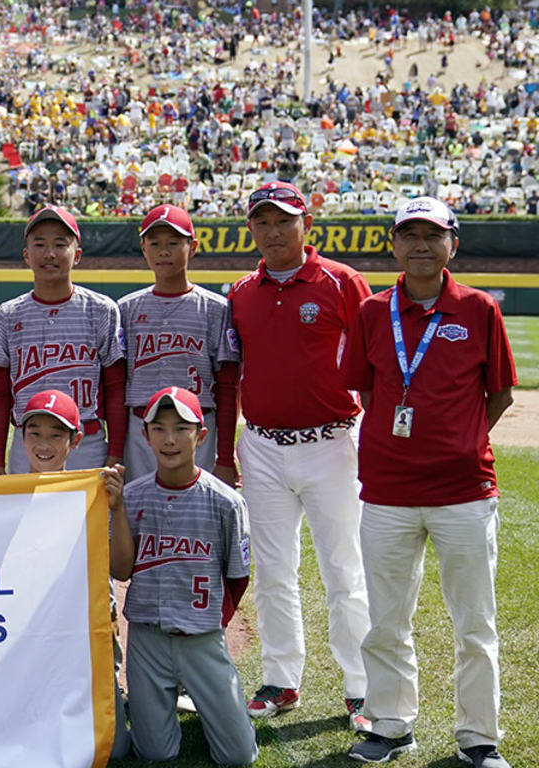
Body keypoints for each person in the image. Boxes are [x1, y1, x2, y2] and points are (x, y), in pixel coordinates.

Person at [343, 198, 515, 768]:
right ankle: (391, 726)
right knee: (386, 619)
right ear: (394, 245)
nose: (420, 244)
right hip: (388, 492)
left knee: (476, 624)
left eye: (432, 235)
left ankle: (478, 737)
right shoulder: (372, 312)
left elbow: (499, 395)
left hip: (464, 491)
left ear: (453, 245)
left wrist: (458, 442)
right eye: (409, 234)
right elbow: (367, 394)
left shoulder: (480, 310)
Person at [228, 181, 372, 729]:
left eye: (283, 221)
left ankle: (360, 687)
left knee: (344, 569)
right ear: (252, 230)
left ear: (305, 223)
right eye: (262, 222)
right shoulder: (242, 291)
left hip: (332, 441)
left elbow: (374, 362)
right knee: (273, 570)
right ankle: (281, 678)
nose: (273, 231)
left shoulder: (342, 281)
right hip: (263, 444)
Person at [120, 387, 258, 766]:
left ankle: (201, 692)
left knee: (238, 757)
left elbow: (237, 576)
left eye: (181, 428)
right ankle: (170, 697)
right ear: (145, 436)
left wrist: (210, 623)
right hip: (147, 639)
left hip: (201, 639)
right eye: (159, 428)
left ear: (201, 434)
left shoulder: (226, 501)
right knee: (155, 753)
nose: (169, 439)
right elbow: (121, 568)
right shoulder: (132, 498)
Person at [15, 387, 134, 760]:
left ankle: (115, 697)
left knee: (113, 751)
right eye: (35, 433)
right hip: (27, 636)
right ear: (22, 437)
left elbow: (122, 568)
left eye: (56, 435)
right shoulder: (4, 498)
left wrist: (116, 510)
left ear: (76, 440)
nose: (44, 444)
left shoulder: (95, 491)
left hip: (86, 634)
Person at [0, 205, 127, 474]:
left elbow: (116, 386)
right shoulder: (7, 315)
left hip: (86, 439)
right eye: (40, 244)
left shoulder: (101, 310)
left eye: (60, 244)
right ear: (27, 255)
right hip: (28, 441)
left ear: (77, 255)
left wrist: (115, 453)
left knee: (89, 517)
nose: (49, 254)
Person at [118, 205, 240, 483]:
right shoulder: (126, 308)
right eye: (155, 243)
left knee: (197, 514)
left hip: (197, 428)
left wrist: (224, 456)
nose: (164, 251)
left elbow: (228, 385)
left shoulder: (216, 309)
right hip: (141, 428)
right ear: (143, 248)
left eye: (173, 243)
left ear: (192, 247)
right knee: (139, 514)